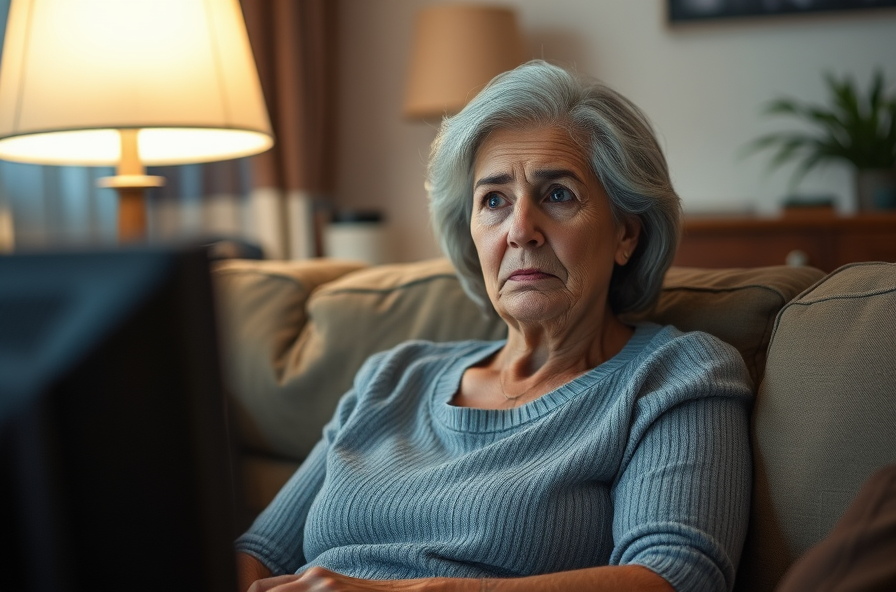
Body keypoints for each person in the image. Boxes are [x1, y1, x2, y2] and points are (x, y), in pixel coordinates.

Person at [235, 60, 753, 592]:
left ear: (627, 234)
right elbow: (258, 552)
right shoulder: (393, 376)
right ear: (471, 234)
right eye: (494, 201)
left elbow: (677, 578)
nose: (520, 229)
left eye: (557, 194)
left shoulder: (673, 376)